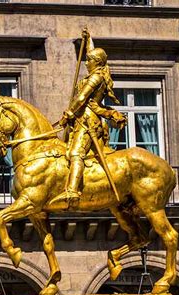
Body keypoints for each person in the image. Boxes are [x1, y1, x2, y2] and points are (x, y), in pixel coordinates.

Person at [50, 28, 127, 205]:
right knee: (66, 150)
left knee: (76, 152)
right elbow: (92, 53)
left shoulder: (96, 78)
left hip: (87, 121)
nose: (86, 63)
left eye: (89, 60)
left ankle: (72, 191)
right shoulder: (95, 73)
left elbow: (83, 97)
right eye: (86, 59)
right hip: (79, 119)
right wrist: (88, 40)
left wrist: (69, 113)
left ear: (97, 63)